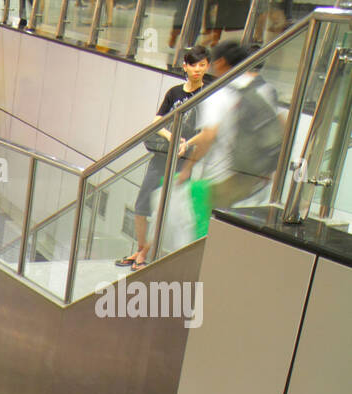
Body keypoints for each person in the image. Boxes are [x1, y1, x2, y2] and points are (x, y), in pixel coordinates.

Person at [117, 45, 209, 269]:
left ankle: (145, 253)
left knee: (164, 210)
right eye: (194, 65)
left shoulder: (208, 95)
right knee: (142, 206)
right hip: (162, 156)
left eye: (203, 65)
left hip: (185, 160)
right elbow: (157, 121)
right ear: (185, 66)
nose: (198, 70)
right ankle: (140, 249)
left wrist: (187, 143)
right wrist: (172, 137)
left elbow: (208, 131)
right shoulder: (174, 92)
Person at [179, 41, 282, 219]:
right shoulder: (265, 89)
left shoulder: (220, 95)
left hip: (223, 181)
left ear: (221, 63)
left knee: (208, 231)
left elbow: (208, 136)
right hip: (257, 182)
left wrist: (187, 168)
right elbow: (281, 125)